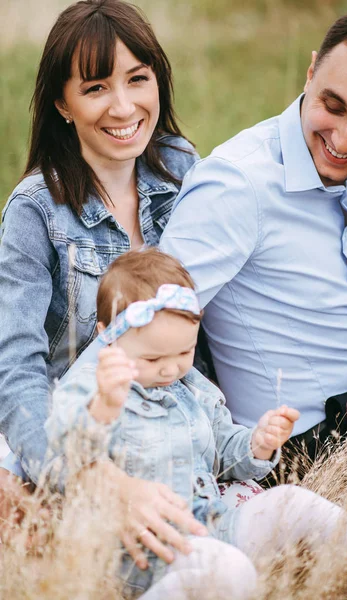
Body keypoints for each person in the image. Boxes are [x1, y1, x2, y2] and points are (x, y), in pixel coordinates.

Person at [44, 247, 347, 599]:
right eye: (152, 358)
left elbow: (223, 454)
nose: (170, 369)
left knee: (292, 501)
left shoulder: (191, 388)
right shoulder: (94, 384)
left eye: (184, 353)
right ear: (108, 335)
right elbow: (66, 448)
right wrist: (105, 405)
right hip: (141, 550)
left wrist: (257, 443)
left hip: (210, 522)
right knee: (231, 571)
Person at [0, 0, 207, 561]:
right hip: (76, 421)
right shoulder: (35, 209)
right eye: (95, 88)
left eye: (137, 79)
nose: (123, 106)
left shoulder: (183, 169)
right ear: (62, 104)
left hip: (169, 412)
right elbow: (17, 367)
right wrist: (80, 471)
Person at [157, 6, 347, 456]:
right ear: (310, 73)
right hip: (303, 441)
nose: (345, 140)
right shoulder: (237, 184)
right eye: (333, 106)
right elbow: (146, 321)